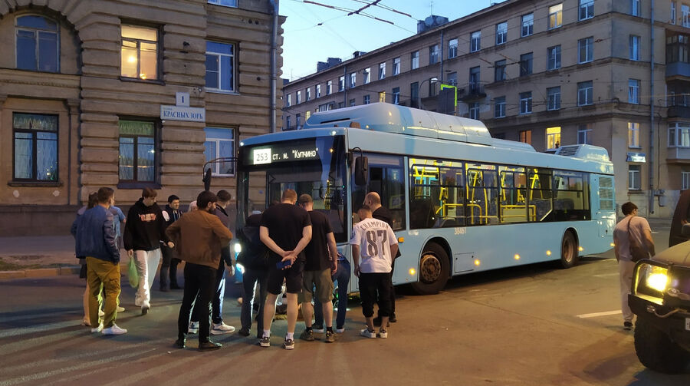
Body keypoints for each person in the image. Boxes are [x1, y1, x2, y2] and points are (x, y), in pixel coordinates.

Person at [166, 191, 234, 350]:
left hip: (190, 264)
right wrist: (216, 246)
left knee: (187, 303)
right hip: (208, 265)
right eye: (214, 204)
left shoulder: (186, 217)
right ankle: (204, 340)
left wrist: (180, 246)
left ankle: (181, 338)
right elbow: (228, 235)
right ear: (210, 204)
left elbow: (170, 231)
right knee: (205, 303)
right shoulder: (212, 219)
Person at [259, 189, 312, 350]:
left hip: (276, 260)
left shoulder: (269, 212)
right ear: (295, 200)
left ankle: (266, 335)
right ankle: (289, 337)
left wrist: (281, 252)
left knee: (271, 298)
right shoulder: (302, 213)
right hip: (296, 260)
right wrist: (294, 253)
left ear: (282, 198)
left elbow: (263, 236)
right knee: (292, 299)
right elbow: (308, 236)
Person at [73, 187, 127, 335]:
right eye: (113, 198)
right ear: (109, 199)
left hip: (90, 257)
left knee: (94, 291)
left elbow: (75, 229)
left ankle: (95, 324)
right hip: (106, 258)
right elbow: (110, 239)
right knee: (112, 290)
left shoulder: (86, 213)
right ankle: (109, 325)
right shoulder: (108, 215)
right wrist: (116, 256)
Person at [189, 190, 236, 336]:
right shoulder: (221, 218)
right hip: (215, 259)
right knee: (214, 292)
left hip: (199, 258)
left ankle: (194, 322)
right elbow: (225, 241)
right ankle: (215, 323)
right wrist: (229, 262)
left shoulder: (200, 215)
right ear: (227, 202)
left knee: (200, 293)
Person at [351, 204, 398, 339]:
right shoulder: (385, 225)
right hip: (384, 268)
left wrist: (356, 265)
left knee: (368, 299)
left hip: (368, 268)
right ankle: (383, 330)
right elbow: (394, 245)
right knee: (385, 298)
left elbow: (355, 246)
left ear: (361, 213)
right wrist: (389, 261)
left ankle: (370, 329)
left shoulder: (358, 226)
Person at [123, 188, 173, 315]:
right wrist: (128, 246)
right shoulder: (135, 210)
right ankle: (145, 301)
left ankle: (140, 296)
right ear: (145, 197)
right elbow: (129, 229)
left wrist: (167, 240)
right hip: (140, 247)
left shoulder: (156, 209)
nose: (154, 200)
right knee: (143, 274)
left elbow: (162, 227)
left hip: (155, 247)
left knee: (150, 276)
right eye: (152, 198)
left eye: (154, 198)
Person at [297, 194, 338, 344]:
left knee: (306, 300)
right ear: (311, 203)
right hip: (322, 265)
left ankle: (309, 331)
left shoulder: (299, 219)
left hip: (304, 266)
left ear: (300, 205)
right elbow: (331, 242)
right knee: (327, 299)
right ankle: (329, 332)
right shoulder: (322, 217)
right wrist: (334, 260)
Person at [613, 202, 656, 330]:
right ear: (634, 210)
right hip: (641, 261)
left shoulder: (618, 226)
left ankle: (627, 321)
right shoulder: (641, 221)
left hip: (624, 262)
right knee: (642, 290)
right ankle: (644, 319)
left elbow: (617, 248)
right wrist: (653, 255)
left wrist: (619, 262)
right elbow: (648, 240)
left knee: (625, 290)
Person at [364, 192, 400, 326]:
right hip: (387, 254)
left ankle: (387, 315)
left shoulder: (378, 217)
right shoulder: (385, 212)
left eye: (365, 201)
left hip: (384, 254)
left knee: (384, 287)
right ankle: (390, 314)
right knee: (387, 285)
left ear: (370, 202)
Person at [237, 211, 269, 338]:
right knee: (264, 300)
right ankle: (262, 330)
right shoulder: (266, 233)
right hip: (265, 268)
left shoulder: (243, 233)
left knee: (247, 297)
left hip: (249, 268)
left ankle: (245, 328)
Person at [71, 192, 99, 326]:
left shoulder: (83, 214)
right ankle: (88, 316)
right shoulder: (90, 216)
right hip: (92, 253)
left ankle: (91, 314)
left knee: (92, 285)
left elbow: (73, 229)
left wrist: (80, 242)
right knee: (91, 286)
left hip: (86, 252)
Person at [314, 251, 350, 333]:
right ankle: (340, 326)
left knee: (320, 292)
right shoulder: (332, 244)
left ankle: (319, 324)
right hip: (345, 264)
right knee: (343, 296)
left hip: (333, 265)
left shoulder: (321, 243)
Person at [160, 195, 183, 291]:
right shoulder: (165, 213)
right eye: (175, 203)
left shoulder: (179, 213)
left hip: (176, 241)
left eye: (178, 203)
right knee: (166, 262)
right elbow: (164, 228)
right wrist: (166, 240)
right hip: (167, 241)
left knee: (174, 262)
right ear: (169, 204)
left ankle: (173, 283)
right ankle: (163, 285)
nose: (177, 204)